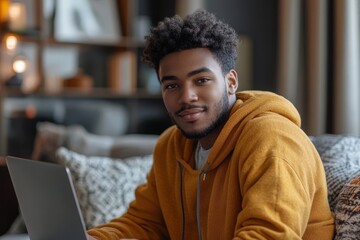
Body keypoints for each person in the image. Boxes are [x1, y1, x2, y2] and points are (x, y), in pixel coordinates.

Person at [87, 9, 335, 240]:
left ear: (231, 82)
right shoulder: (171, 146)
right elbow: (144, 223)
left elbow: (268, 235)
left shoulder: (272, 138)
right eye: (172, 85)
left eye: (202, 80)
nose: (186, 97)